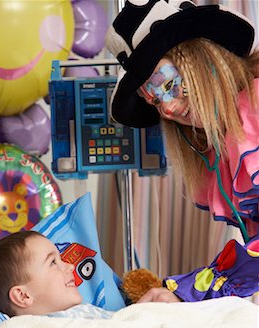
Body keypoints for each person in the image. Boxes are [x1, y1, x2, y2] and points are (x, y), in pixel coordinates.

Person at [105, 0, 259, 302]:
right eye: (155, 101)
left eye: (170, 85)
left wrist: (187, 291)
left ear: (204, 61)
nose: (169, 108)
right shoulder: (223, 148)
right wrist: (178, 291)